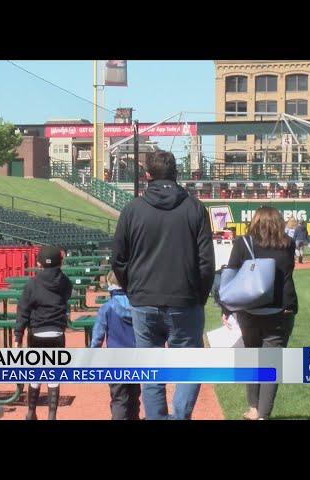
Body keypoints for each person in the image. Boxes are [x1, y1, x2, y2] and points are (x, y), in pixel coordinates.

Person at [111, 150, 215, 420]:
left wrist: (132, 290)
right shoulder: (195, 208)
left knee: (151, 371)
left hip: (144, 300)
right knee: (191, 366)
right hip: (185, 300)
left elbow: (117, 260)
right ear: (176, 173)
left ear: (147, 176)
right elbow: (207, 263)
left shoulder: (133, 209)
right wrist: (199, 296)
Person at [219, 206, 298, 420]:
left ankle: (253, 408)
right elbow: (288, 269)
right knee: (271, 364)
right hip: (282, 308)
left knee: (252, 359)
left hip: (250, 309)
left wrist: (226, 307)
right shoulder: (288, 244)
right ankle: (263, 414)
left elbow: (231, 276)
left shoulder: (243, 243)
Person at [14, 246, 73, 420]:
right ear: (60, 262)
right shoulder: (64, 281)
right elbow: (67, 296)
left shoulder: (32, 283)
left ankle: (31, 412)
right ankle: (52, 415)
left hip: (37, 333)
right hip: (56, 334)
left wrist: (18, 335)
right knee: (54, 375)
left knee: (35, 374)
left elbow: (23, 310)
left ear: (39, 264)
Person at [90, 271, 141, 420]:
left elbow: (98, 335)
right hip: (136, 357)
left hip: (115, 359)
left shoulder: (106, 308)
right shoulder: (139, 306)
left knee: (119, 398)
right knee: (134, 395)